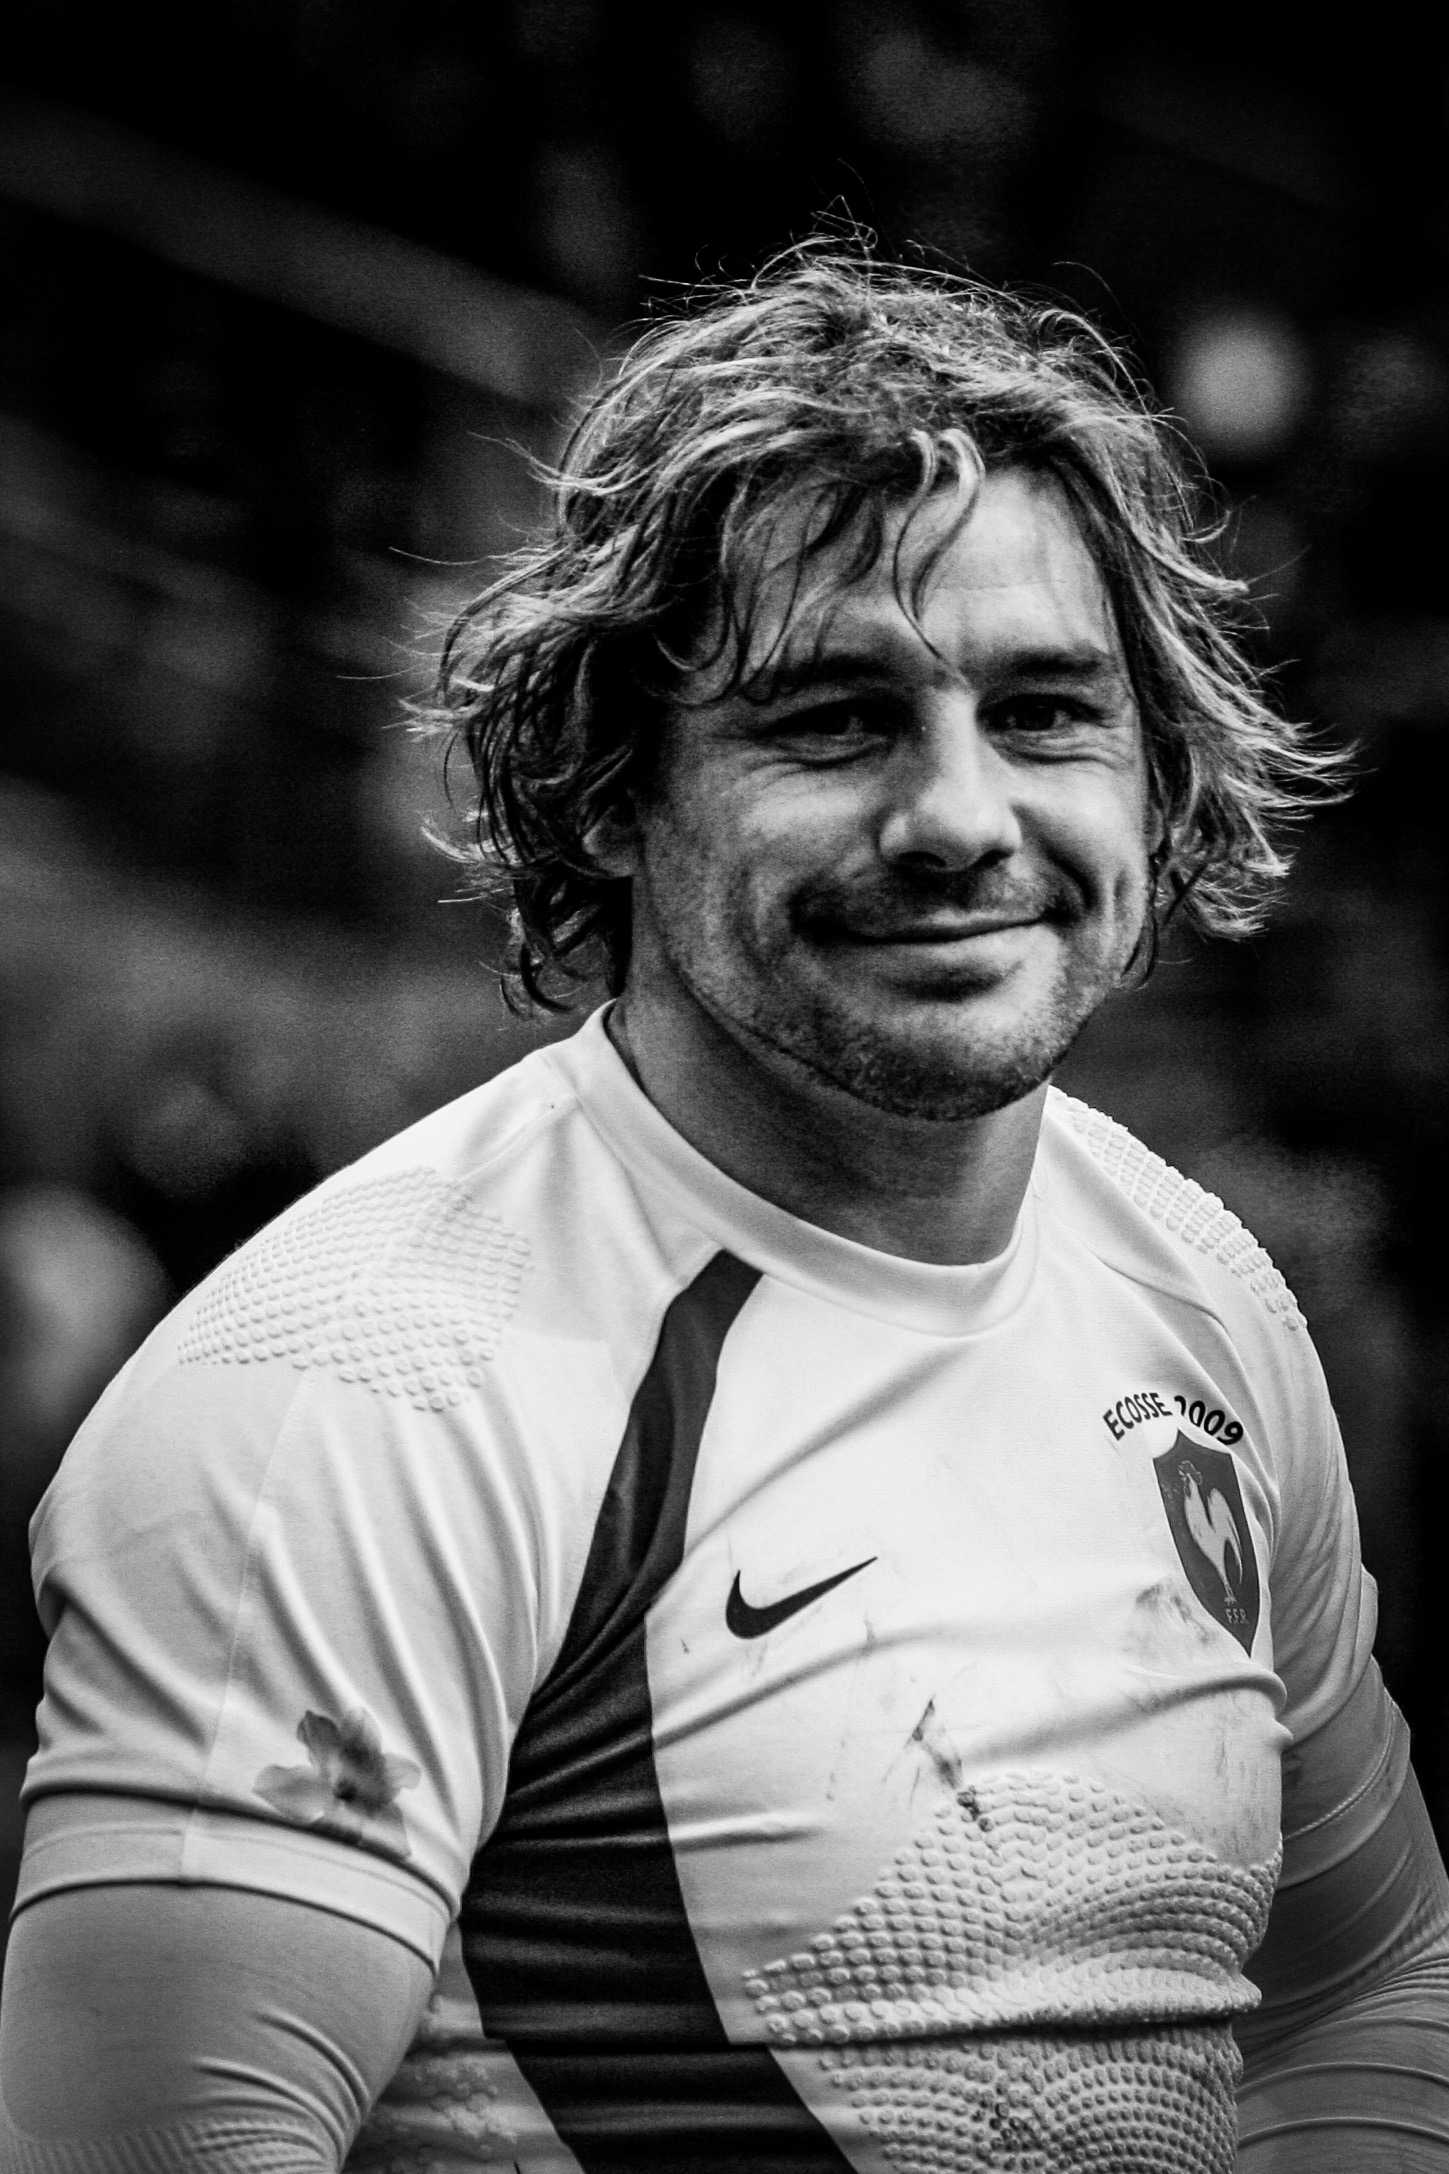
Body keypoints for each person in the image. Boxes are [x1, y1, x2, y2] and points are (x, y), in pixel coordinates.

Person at [1, 241, 1446, 2174]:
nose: (962, 817)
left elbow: (1360, 1981)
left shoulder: (1203, 1293)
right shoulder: (346, 1396)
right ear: (611, 788)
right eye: (833, 719)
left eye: (1043, 712)